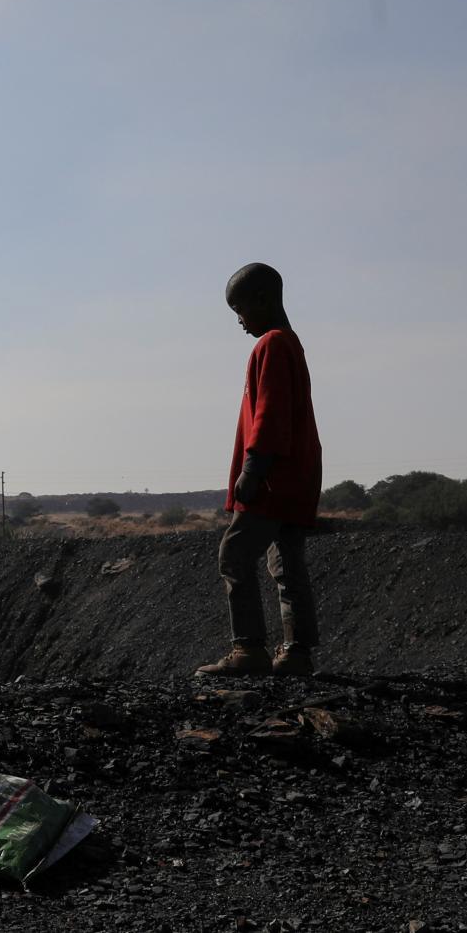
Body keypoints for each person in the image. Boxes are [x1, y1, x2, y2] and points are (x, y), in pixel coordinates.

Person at [195, 261, 323, 678]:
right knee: (287, 566)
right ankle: (297, 653)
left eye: (240, 309)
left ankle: (248, 649)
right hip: (296, 479)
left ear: (263, 301)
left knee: (234, 554)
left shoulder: (270, 344)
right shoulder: (291, 343)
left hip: (272, 480)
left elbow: (269, 416)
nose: (239, 320)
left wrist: (252, 470)